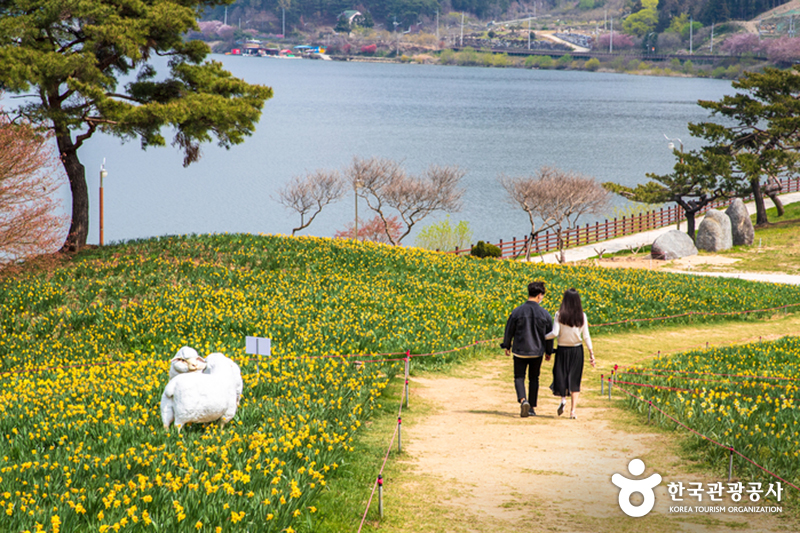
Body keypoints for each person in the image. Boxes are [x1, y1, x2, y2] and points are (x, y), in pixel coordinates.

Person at [500, 281, 553, 417]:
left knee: (519, 377)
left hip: (520, 350)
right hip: (537, 351)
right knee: (534, 378)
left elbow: (509, 330)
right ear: (539, 296)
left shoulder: (517, 311)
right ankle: (532, 408)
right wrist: (549, 351)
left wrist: (507, 345)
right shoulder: (544, 314)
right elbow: (549, 335)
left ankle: (523, 400)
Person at [546, 288, 595, 419]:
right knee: (575, 379)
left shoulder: (559, 314)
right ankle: (573, 411)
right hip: (577, 350)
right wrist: (591, 353)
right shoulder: (582, 316)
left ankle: (563, 399)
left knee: (561, 375)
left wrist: (543, 337)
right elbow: (586, 336)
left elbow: (554, 333)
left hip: (562, 349)